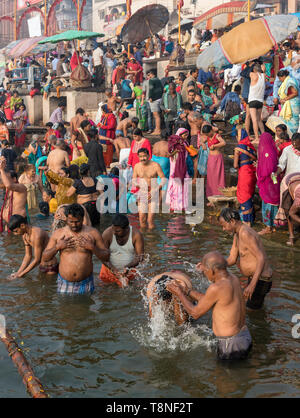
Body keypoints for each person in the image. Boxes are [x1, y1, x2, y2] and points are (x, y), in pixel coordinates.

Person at [167, 252, 252, 360]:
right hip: (243, 336)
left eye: (205, 271)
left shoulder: (217, 287)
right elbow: (210, 300)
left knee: (222, 375)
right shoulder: (233, 279)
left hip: (231, 344)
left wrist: (179, 293)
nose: (205, 274)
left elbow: (195, 313)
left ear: (212, 271)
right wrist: (186, 291)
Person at [42, 203, 109, 295]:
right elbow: (45, 258)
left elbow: (106, 257)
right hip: (64, 283)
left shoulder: (93, 233)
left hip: (86, 283)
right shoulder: (59, 233)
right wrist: (58, 247)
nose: (74, 225)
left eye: (77, 221)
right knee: (64, 308)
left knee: (85, 308)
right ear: (66, 219)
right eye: (71, 222)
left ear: (82, 219)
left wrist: (92, 248)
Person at [219, 207, 272, 310]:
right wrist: (213, 265)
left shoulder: (245, 233)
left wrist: (252, 285)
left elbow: (261, 258)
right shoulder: (237, 234)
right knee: (250, 308)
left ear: (232, 221)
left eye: (224, 225)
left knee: (250, 312)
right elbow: (232, 259)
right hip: (256, 278)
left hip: (261, 280)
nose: (223, 229)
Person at [99, 214, 144, 287]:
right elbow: (102, 256)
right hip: (108, 271)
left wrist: (128, 267)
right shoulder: (107, 233)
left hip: (129, 272)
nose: (114, 232)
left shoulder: (136, 235)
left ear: (126, 228)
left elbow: (140, 257)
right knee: (106, 293)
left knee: (130, 293)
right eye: (113, 229)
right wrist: (113, 269)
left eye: (118, 231)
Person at [132, 148, 166, 229]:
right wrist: (138, 185)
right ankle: (143, 238)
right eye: (140, 156)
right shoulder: (137, 166)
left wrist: (156, 190)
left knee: (150, 221)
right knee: (142, 219)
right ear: (138, 157)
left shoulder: (155, 165)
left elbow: (163, 179)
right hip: (143, 193)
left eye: (144, 156)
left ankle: (151, 239)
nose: (142, 158)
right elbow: (133, 180)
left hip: (153, 193)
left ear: (148, 156)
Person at [257, 133, 280, 235]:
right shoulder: (273, 150)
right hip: (274, 180)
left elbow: (268, 168)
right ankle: (273, 225)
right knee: (273, 202)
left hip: (268, 181)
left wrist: (260, 174)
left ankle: (268, 227)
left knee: (268, 202)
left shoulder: (267, 152)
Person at [234, 129, 257, 225]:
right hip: (252, 173)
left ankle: (247, 221)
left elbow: (235, 165)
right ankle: (251, 219)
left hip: (244, 173)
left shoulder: (238, 148)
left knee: (244, 195)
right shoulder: (251, 147)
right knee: (249, 195)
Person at [166, 128, 191, 212]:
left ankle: (183, 205)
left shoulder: (185, 143)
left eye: (187, 135)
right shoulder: (174, 143)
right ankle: (176, 205)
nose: (186, 137)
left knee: (184, 183)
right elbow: (169, 154)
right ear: (179, 135)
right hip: (175, 167)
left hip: (183, 166)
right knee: (177, 184)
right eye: (185, 135)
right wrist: (176, 150)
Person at [0, 157, 27, 232]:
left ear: (14, 179)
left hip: (19, 225)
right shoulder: (7, 188)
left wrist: (1, 169)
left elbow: (8, 185)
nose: (4, 181)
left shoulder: (21, 187)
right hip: (8, 224)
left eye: (7, 178)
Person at [271, 69, 300, 135]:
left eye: (279, 78)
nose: (280, 80)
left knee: (292, 124)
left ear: (283, 76)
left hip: (293, 105)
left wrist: (285, 99)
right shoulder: (286, 81)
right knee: (287, 123)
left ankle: (293, 138)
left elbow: (295, 93)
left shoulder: (290, 81)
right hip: (289, 104)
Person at [202, 125, 226, 198]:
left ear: (211, 131)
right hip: (210, 158)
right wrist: (203, 144)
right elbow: (201, 141)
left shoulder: (217, 135)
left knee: (218, 176)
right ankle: (210, 194)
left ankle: (219, 194)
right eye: (206, 134)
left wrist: (215, 146)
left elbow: (224, 143)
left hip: (217, 158)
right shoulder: (208, 137)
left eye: (207, 134)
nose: (207, 135)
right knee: (210, 177)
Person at [248, 63, 265, 143]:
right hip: (260, 101)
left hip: (253, 100)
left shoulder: (252, 74)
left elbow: (246, 72)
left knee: (254, 120)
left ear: (254, 70)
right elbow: (263, 70)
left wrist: (251, 63)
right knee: (259, 120)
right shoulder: (263, 76)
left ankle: (257, 138)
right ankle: (264, 135)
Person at [145, 70, 163, 136]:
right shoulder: (158, 79)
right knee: (158, 115)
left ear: (151, 74)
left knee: (156, 116)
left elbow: (151, 89)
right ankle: (156, 129)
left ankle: (158, 130)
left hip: (154, 100)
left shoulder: (151, 80)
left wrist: (150, 97)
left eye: (149, 75)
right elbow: (162, 88)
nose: (148, 76)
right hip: (159, 99)